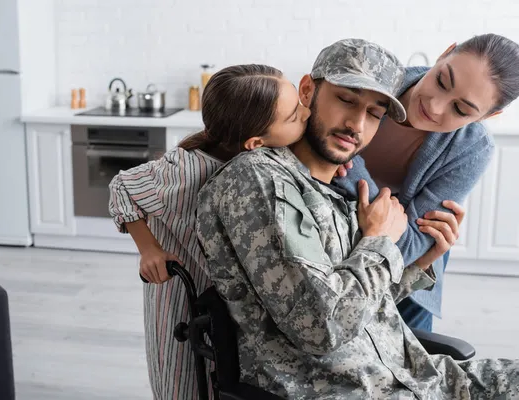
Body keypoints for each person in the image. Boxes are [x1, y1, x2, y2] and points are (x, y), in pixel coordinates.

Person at [196, 38, 519, 399]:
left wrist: (421, 263)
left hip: (416, 377)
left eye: (376, 114)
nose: (356, 124)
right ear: (307, 91)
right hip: (347, 388)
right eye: (346, 100)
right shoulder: (261, 180)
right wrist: (380, 239)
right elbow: (321, 326)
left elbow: (364, 303)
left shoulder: (336, 195)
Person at [108, 64, 311, 400]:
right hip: (179, 304)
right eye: (294, 115)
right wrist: (149, 250)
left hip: (221, 307)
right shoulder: (187, 173)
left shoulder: (262, 157)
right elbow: (122, 186)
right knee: (184, 386)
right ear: (254, 142)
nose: (306, 112)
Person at [333, 33, 519, 332]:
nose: (434, 106)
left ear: (489, 115)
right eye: (442, 81)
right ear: (445, 53)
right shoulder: (372, 80)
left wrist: (346, 162)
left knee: (414, 360)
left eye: (461, 109)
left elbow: (411, 247)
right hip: (335, 245)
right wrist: (387, 218)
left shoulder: (473, 148)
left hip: (404, 274)